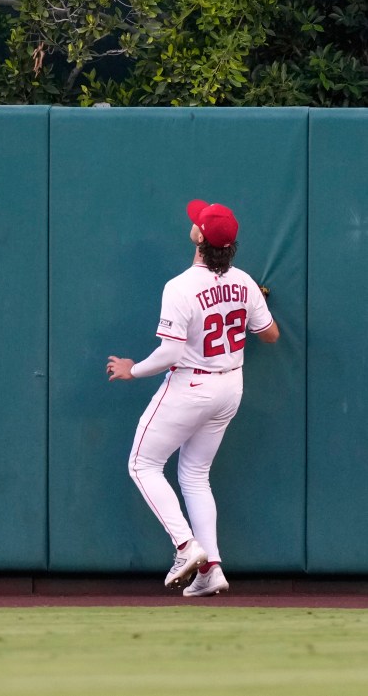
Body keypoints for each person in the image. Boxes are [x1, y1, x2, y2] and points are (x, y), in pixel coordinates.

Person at [107, 200, 279, 597]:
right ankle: (211, 570)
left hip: (193, 385)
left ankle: (187, 548)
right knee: (195, 475)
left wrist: (133, 369)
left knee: (142, 464)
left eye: (196, 223)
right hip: (230, 386)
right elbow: (270, 335)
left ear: (200, 237)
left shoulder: (181, 286)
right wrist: (250, 303)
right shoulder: (246, 282)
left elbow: (169, 353)